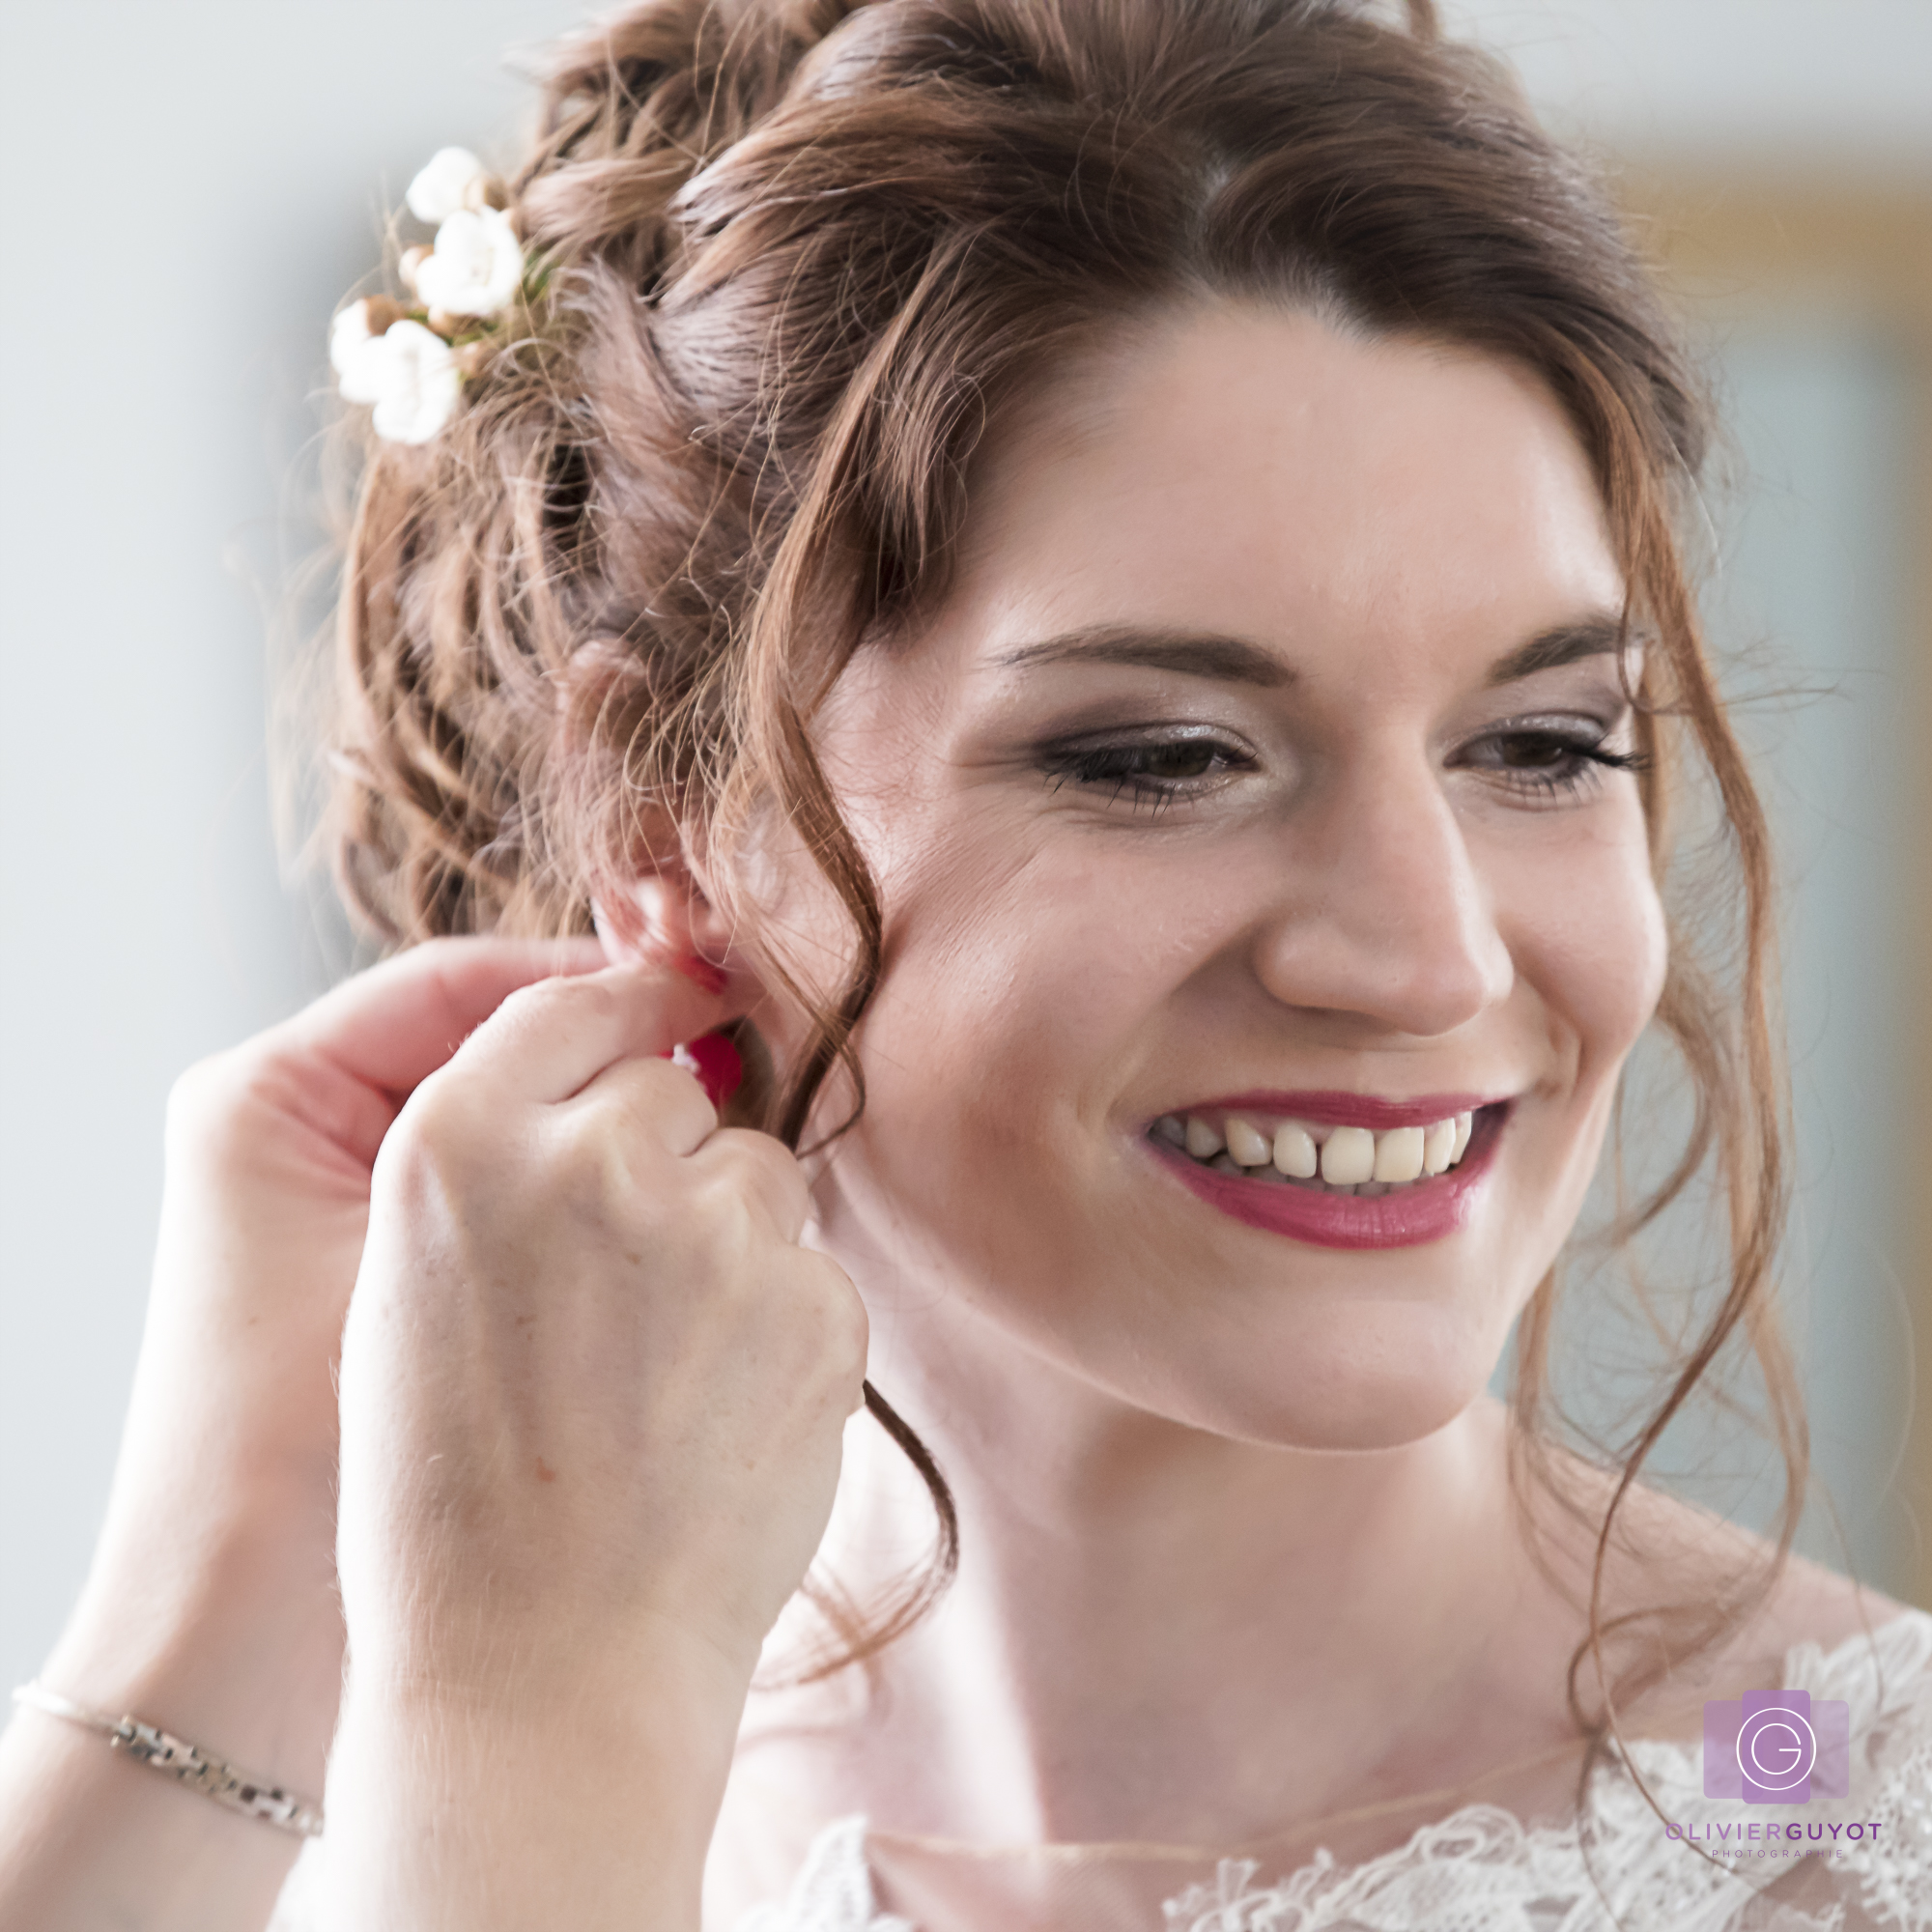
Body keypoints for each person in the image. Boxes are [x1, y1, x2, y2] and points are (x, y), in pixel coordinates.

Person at [3, 1, 1930, 1927]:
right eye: (1166, 757)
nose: (1427, 960)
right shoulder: (423, 1773)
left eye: (1541, 746)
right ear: (663, 818)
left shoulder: (1851, 1831)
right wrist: (220, 1608)